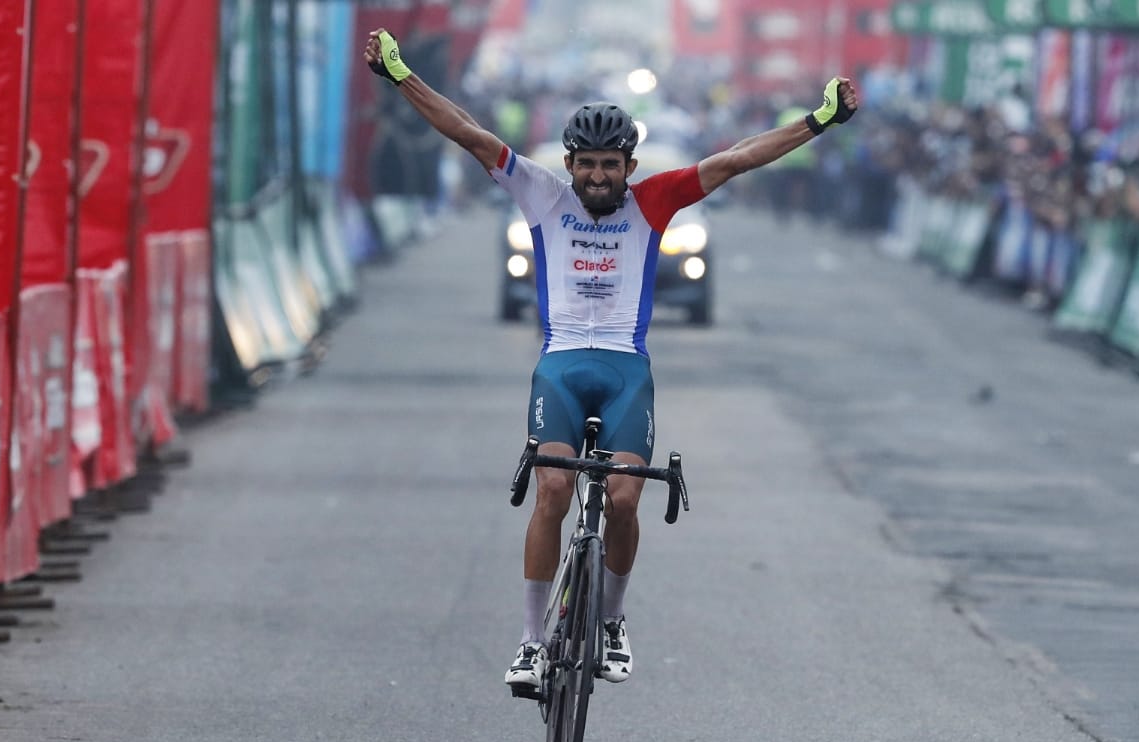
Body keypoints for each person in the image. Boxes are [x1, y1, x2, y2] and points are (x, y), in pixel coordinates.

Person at [364, 29, 857, 692]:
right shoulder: (541, 195)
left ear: (630, 166)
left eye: (611, 164)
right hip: (562, 366)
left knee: (625, 498)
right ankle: (532, 640)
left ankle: (614, 622)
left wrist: (821, 120)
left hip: (626, 370)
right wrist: (398, 75)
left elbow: (739, 158)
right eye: (587, 163)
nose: (598, 176)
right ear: (569, 163)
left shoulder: (654, 203)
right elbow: (465, 129)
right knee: (553, 488)